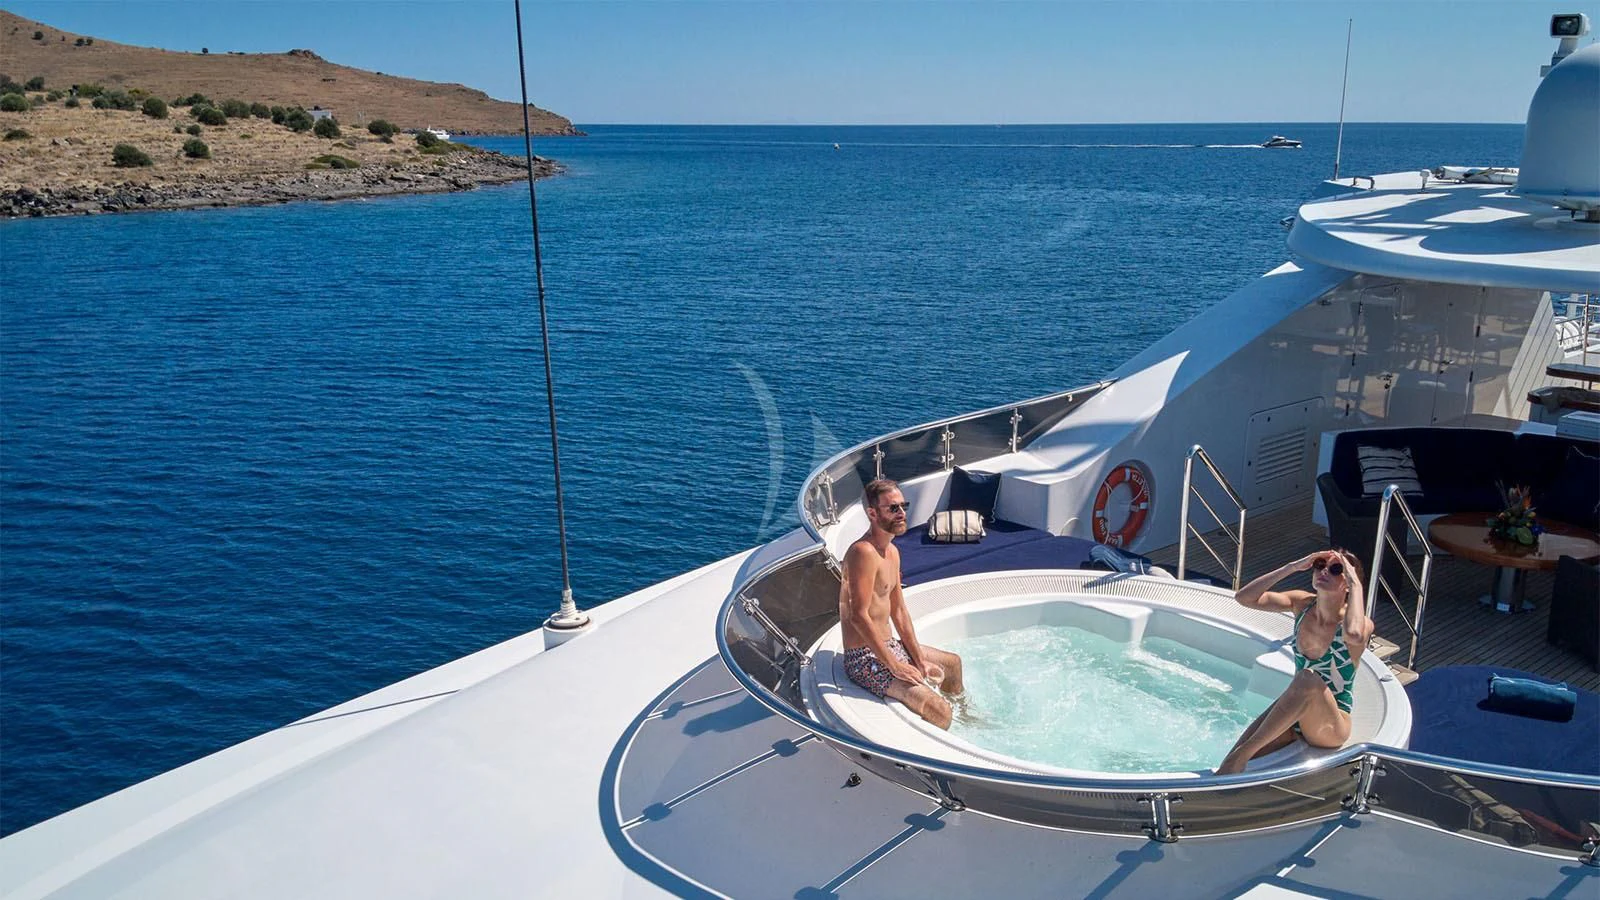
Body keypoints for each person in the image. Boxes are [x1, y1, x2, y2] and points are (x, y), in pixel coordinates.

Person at [1216, 549, 1372, 775]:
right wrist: (1291, 566)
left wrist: (1356, 584)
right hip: (1297, 715)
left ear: (1348, 582)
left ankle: (1240, 758)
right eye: (1320, 565)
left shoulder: (1359, 623)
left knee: (1307, 680)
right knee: (1231, 758)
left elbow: (1355, 634)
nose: (1324, 571)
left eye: (1336, 569)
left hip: (1331, 724)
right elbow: (1244, 598)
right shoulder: (1302, 604)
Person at [839, 478, 965, 728]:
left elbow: (899, 611)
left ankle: (964, 720)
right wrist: (895, 665)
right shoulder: (863, 552)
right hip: (864, 659)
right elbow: (858, 615)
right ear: (872, 513)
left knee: (952, 663)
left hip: (889, 647)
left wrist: (918, 659)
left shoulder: (893, 552)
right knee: (939, 710)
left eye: (902, 506)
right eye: (892, 508)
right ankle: (937, 751)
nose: (901, 513)